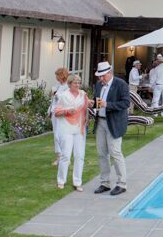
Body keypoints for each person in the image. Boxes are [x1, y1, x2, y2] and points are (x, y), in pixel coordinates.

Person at [92, 62, 130, 196]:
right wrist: (93, 104)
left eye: (103, 76)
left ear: (110, 73)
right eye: (99, 76)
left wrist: (107, 104)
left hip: (114, 123)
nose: (100, 79)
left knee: (115, 152)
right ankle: (105, 183)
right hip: (100, 122)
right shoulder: (99, 85)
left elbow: (126, 103)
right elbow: (97, 102)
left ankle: (122, 184)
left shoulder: (121, 84)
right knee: (101, 153)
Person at [54, 74, 89, 191]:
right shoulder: (63, 96)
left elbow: (86, 108)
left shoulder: (83, 94)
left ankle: (77, 181)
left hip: (80, 128)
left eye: (79, 83)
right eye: (75, 83)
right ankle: (61, 180)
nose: (77, 85)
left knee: (80, 156)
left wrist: (89, 107)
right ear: (69, 84)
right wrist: (67, 111)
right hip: (66, 128)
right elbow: (56, 112)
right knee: (66, 155)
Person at [50, 67, 69, 166]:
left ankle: (65, 157)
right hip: (55, 112)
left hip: (62, 113)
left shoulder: (67, 87)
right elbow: (53, 101)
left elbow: (65, 99)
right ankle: (59, 156)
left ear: (62, 75)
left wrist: (56, 94)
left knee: (61, 135)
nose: (56, 77)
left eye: (57, 75)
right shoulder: (57, 86)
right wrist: (50, 111)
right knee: (56, 135)